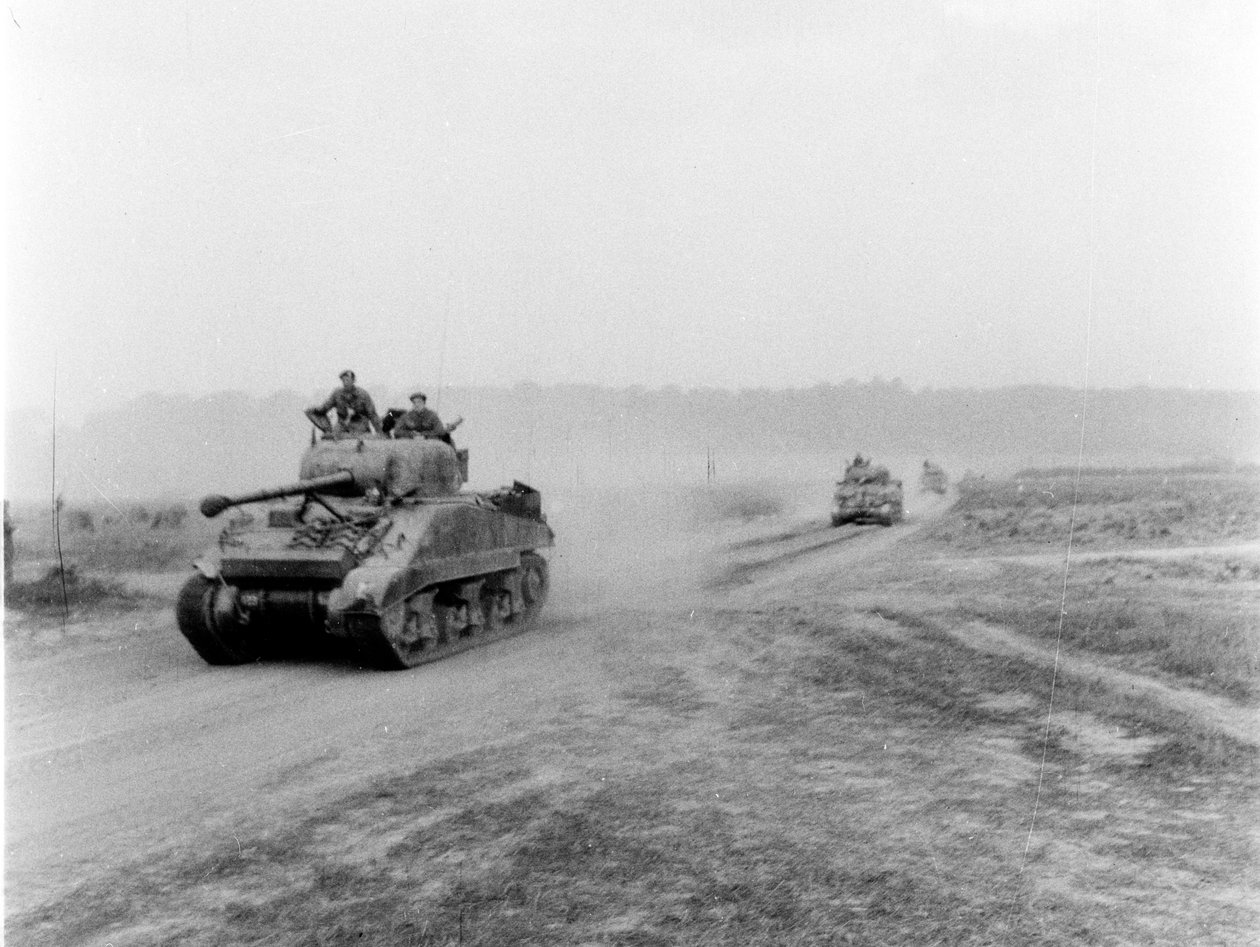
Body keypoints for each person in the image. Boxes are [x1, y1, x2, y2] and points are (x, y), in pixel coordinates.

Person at [305, 370, 381, 436]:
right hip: (341, 425)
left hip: (360, 425)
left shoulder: (363, 395)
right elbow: (324, 408)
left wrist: (380, 432)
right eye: (343, 380)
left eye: (347, 380)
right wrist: (314, 411)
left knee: (361, 441)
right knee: (332, 438)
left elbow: (372, 414)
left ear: (353, 380)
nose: (345, 383)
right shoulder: (337, 394)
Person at [391, 391, 462, 444]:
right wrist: (412, 434)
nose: (416, 404)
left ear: (424, 403)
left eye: (419, 402)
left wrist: (423, 435)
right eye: (414, 402)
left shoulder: (432, 415)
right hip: (411, 444)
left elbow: (439, 431)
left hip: (429, 444)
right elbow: (397, 431)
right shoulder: (406, 416)